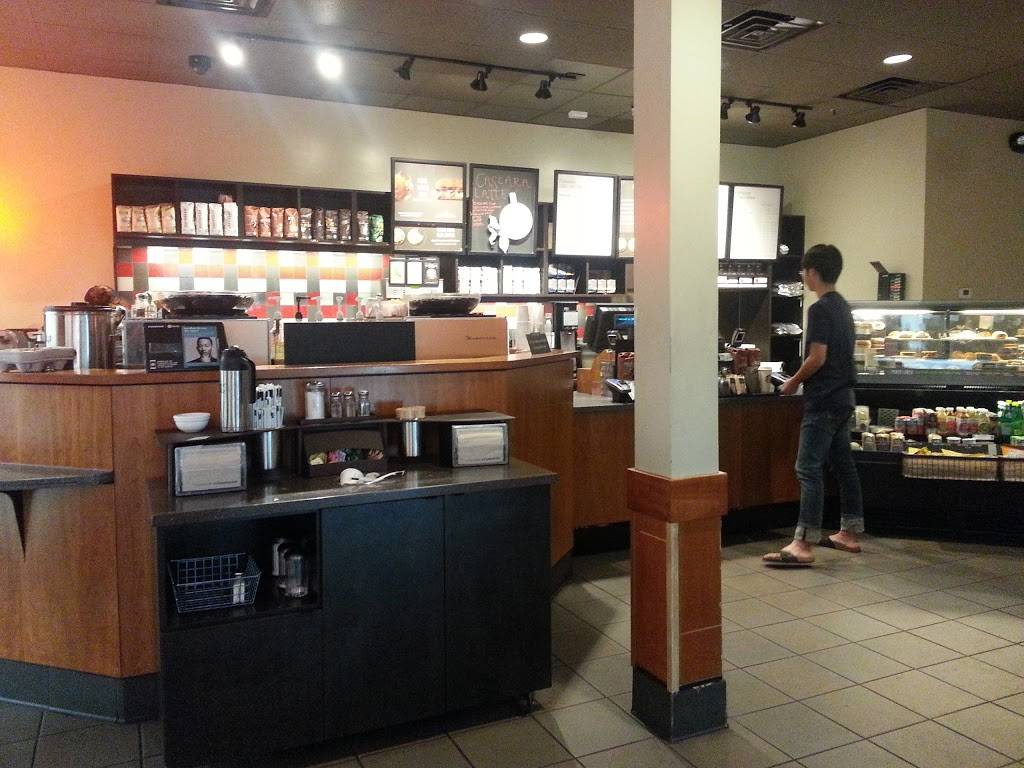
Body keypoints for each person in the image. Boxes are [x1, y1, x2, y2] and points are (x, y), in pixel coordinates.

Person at [763, 244, 863, 566]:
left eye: (804, 271)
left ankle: (803, 543)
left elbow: (817, 357)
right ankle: (849, 532)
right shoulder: (843, 306)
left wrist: (793, 381)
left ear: (813, 272)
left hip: (824, 399)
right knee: (844, 466)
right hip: (844, 398)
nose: (803, 276)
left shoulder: (819, 309)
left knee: (807, 468)